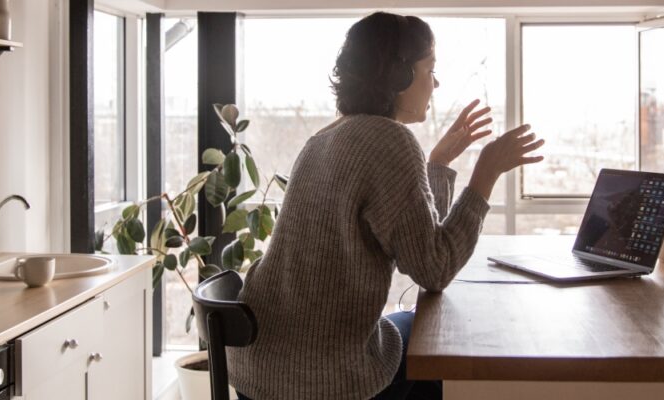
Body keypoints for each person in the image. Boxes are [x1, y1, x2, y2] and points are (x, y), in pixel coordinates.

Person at [227, 11, 545, 400]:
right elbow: (434, 268)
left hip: (260, 369)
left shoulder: (325, 137)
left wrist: (439, 166)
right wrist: (485, 175)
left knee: (413, 328)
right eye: (430, 68)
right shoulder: (390, 141)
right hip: (321, 380)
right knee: (435, 346)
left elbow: (418, 241)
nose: (436, 82)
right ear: (399, 75)